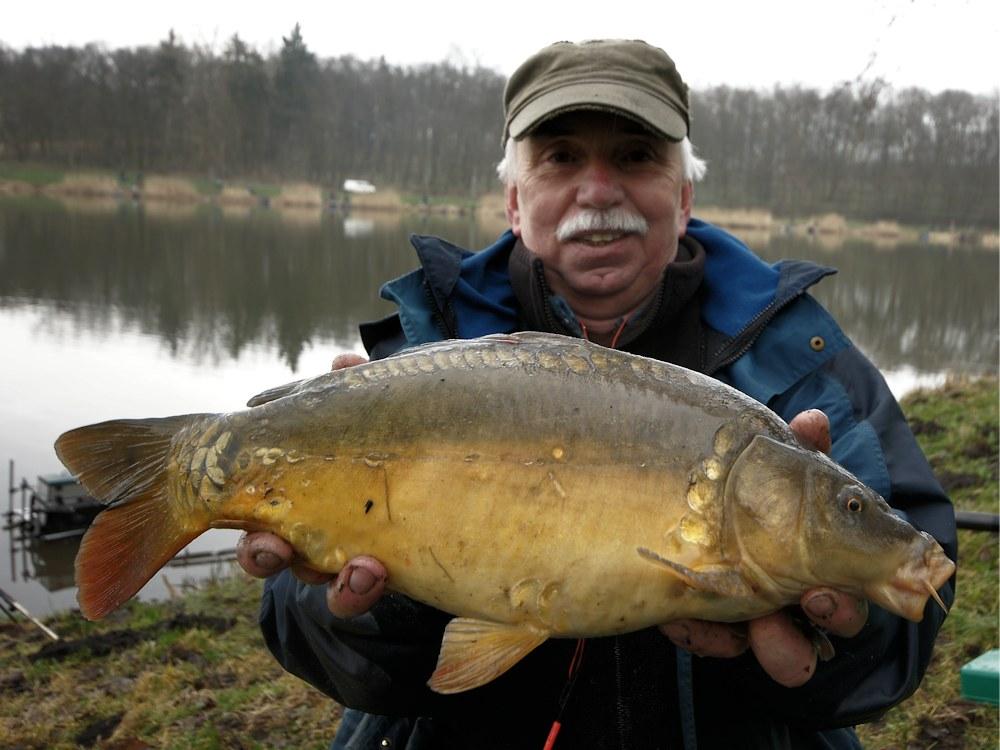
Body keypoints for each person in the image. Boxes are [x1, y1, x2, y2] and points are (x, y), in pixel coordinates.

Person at [237, 40, 956, 749]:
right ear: (516, 202)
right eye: (561, 157)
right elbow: (302, 632)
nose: (599, 190)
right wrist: (383, 612)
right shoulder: (426, 359)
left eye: (636, 156)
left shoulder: (800, 362)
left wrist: (842, 640)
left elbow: (909, 617)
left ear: (683, 196)